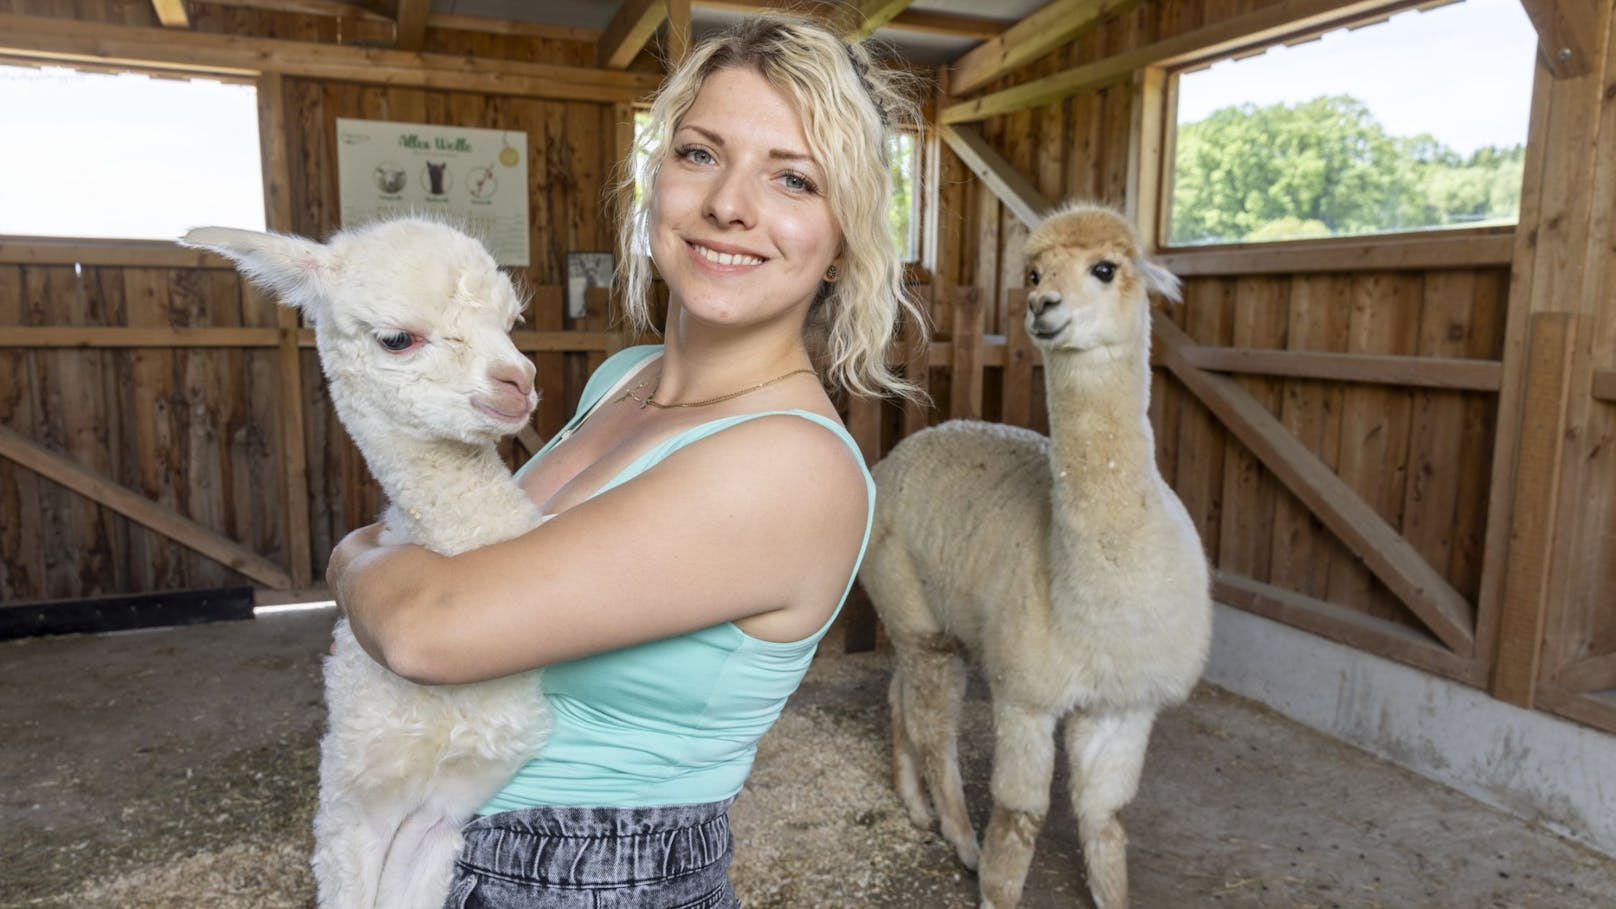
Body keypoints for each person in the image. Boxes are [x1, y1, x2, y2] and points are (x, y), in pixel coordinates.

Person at [325, 15, 925, 908]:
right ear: (656, 181)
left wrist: (350, 555)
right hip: (441, 852)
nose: (730, 203)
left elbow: (427, 628)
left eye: (793, 177)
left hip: (584, 880)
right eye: (699, 153)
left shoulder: (789, 466)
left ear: (844, 238)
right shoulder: (625, 378)